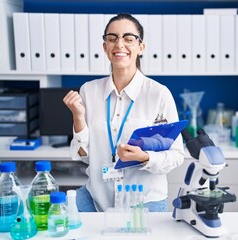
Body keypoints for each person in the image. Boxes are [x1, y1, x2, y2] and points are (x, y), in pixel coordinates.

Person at [63, 13, 184, 212]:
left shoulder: (159, 94)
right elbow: (83, 156)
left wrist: (145, 157)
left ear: (141, 47)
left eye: (128, 38)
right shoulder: (89, 90)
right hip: (97, 198)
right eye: (112, 38)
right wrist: (77, 116)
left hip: (144, 200)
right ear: (105, 47)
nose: (119, 44)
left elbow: (176, 155)